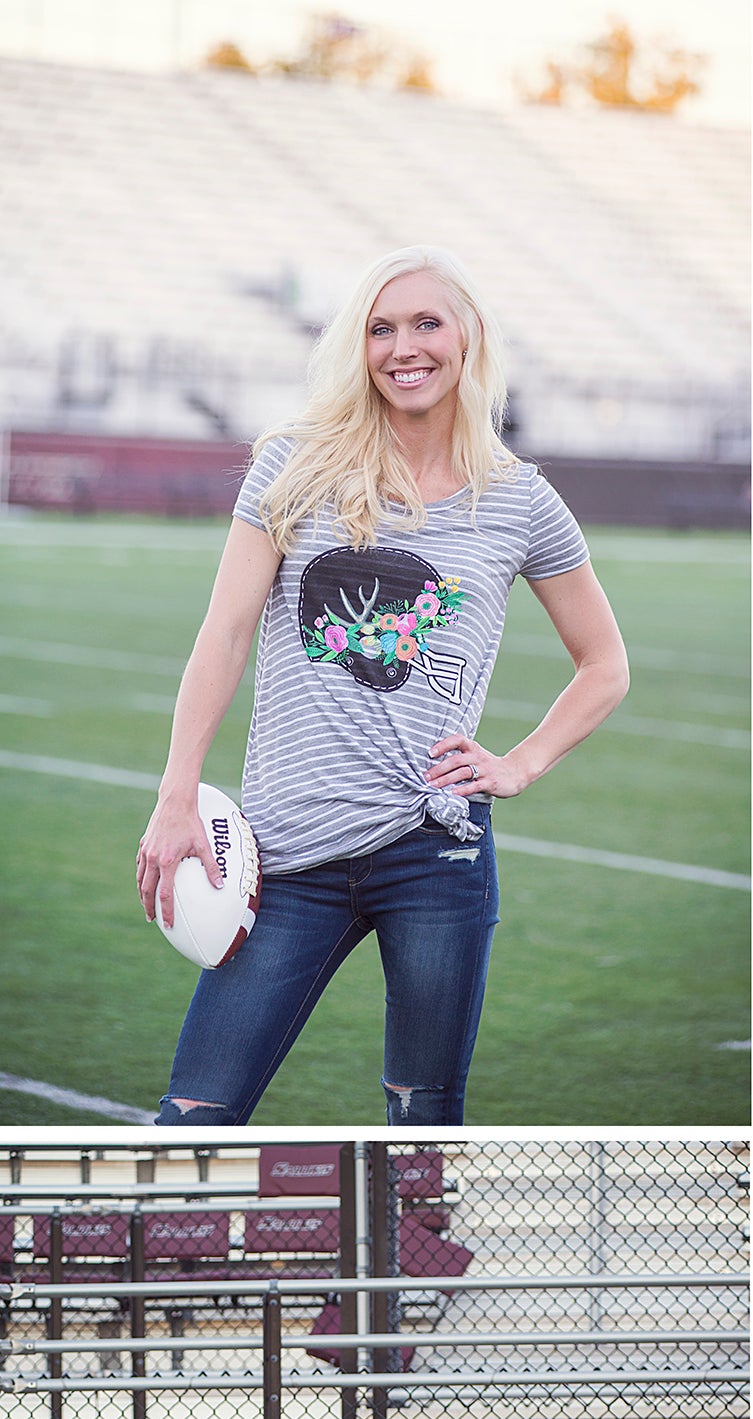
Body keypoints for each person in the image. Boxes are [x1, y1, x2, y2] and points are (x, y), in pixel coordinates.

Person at [137, 244, 629, 1126]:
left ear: (470, 337)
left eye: (427, 324)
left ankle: (419, 1257)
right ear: (356, 347)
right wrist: (177, 792)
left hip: (434, 851)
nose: (406, 348)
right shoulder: (294, 463)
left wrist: (519, 765)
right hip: (287, 850)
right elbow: (225, 633)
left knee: (423, 1111)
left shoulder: (520, 499)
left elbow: (605, 663)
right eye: (381, 328)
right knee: (196, 1112)